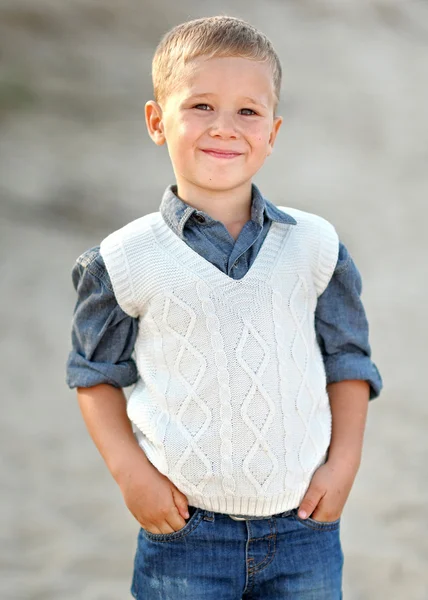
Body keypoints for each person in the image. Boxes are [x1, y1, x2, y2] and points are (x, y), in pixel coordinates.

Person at [66, 15, 382, 599]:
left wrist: (344, 466)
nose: (225, 128)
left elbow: (349, 361)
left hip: (304, 528)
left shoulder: (316, 247)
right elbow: (94, 376)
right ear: (157, 121)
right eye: (202, 106)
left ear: (273, 131)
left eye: (247, 111)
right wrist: (130, 474)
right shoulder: (123, 260)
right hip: (185, 532)